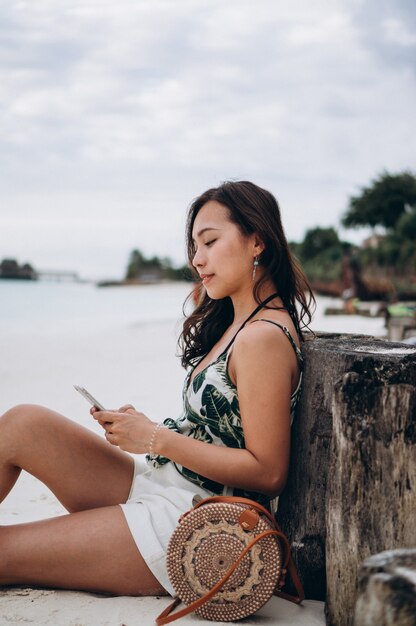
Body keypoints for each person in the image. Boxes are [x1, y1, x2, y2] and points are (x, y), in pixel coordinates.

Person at [0, 180, 314, 597]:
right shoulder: (239, 323)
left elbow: (268, 472)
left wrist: (154, 438)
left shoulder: (262, 338)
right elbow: (216, 428)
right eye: (194, 247)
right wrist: (149, 429)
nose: (197, 260)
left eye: (210, 242)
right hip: (164, 482)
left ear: (257, 241)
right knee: (24, 424)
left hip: (197, 521)